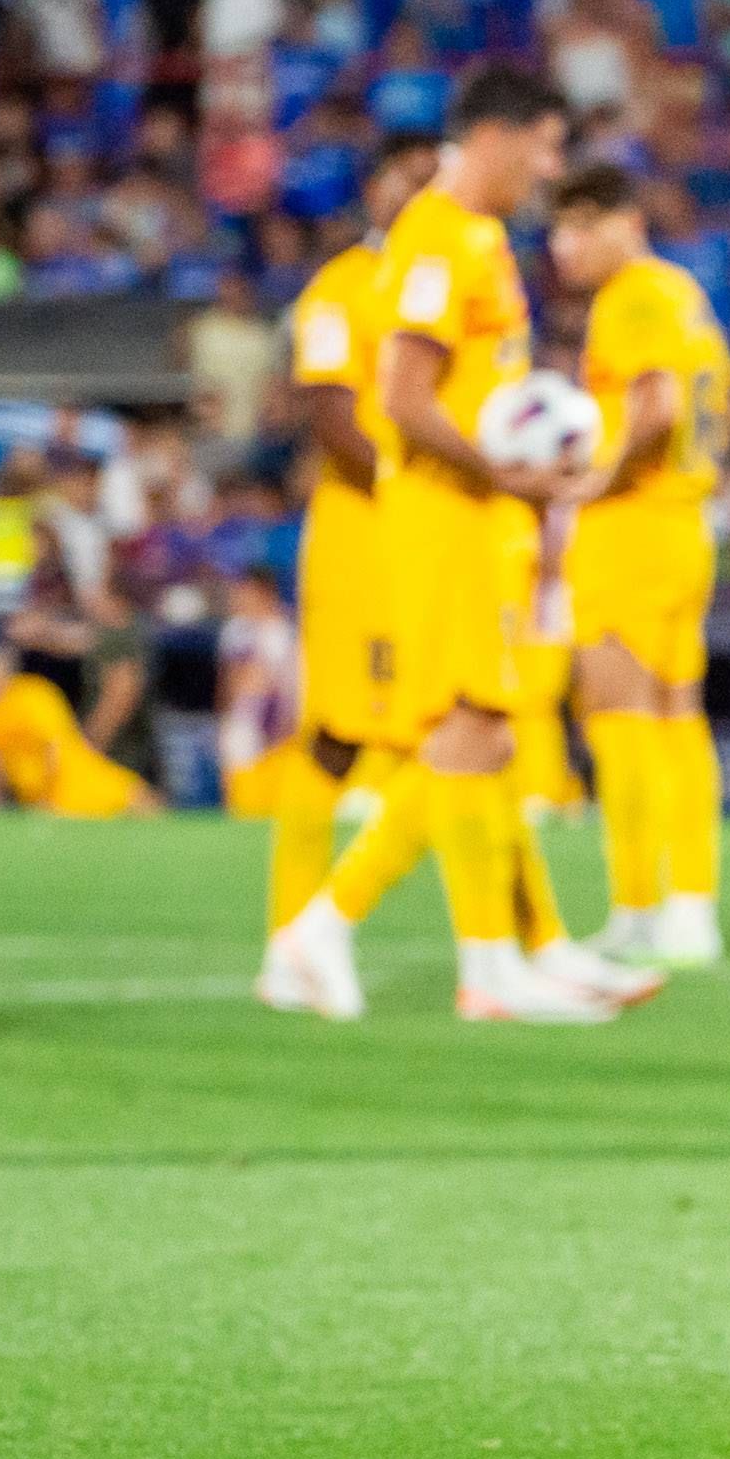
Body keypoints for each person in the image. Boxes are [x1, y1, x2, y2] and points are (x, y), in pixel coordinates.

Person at [256, 66, 645, 1027]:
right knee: (465, 730)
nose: (550, 170)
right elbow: (399, 397)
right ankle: (348, 931)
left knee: (486, 735)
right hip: (443, 512)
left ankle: (500, 957)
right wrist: (501, 469)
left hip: (479, 513)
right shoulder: (438, 239)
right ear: (496, 136)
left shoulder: (479, 240)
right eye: (546, 147)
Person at [550, 165, 730, 967]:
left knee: (621, 718)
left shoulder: (629, 296)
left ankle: (643, 903)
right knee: (675, 716)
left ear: (623, 222)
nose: (564, 248)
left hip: (632, 525)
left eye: (578, 227)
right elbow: (723, 407)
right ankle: (685, 902)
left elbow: (656, 409)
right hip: (686, 520)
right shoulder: (684, 294)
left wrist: (598, 482)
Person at [267, 135, 432, 950]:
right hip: (364, 538)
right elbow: (334, 420)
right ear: (375, 188)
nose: (427, 194)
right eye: (413, 178)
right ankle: (295, 925)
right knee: (342, 735)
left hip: (434, 540)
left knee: (454, 735)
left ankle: (515, 941)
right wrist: (426, 491)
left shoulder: (445, 286)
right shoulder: (341, 289)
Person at [0, 643, 158, 815]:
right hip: (42, 804)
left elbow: (54, 749)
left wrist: (47, 803)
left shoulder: (32, 693)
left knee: (151, 813)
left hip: (83, 787)